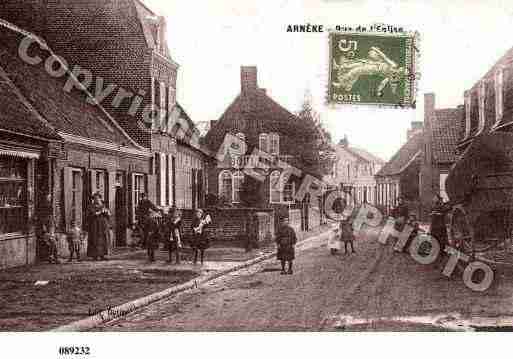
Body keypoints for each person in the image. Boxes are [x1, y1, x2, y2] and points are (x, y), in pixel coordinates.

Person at [86, 192, 111, 261]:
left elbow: (109, 214)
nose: (97, 200)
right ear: (93, 199)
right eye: (95, 198)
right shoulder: (91, 206)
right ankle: (95, 255)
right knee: (95, 239)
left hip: (103, 225)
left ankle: (103, 254)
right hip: (95, 225)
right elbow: (92, 214)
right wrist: (100, 212)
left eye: (98, 198)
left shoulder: (103, 205)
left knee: (103, 239)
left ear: (100, 199)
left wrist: (106, 211)